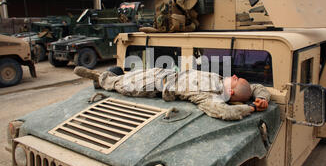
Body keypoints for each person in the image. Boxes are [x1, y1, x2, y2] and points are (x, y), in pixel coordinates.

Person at [74, 66, 270, 121]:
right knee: (133, 74)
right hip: (164, 72)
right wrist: (262, 98)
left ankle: (101, 79)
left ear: (231, 91)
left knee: (123, 85)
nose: (234, 75)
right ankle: (105, 77)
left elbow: (225, 113)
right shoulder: (220, 81)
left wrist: (251, 108)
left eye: (235, 79)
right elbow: (254, 87)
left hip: (156, 85)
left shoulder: (210, 95)